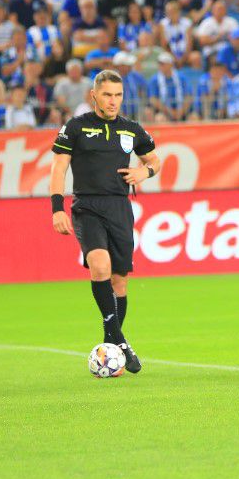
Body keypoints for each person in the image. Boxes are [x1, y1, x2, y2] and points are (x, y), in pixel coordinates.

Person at [50, 70, 162, 375]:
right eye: (108, 95)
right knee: (99, 266)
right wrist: (57, 208)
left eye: (118, 95)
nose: (113, 101)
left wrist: (145, 173)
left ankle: (113, 342)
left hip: (120, 207)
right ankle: (119, 341)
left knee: (119, 281)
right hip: (87, 206)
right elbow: (59, 169)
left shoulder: (131, 130)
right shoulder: (76, 128)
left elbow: (154, 160)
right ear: (94, 96)